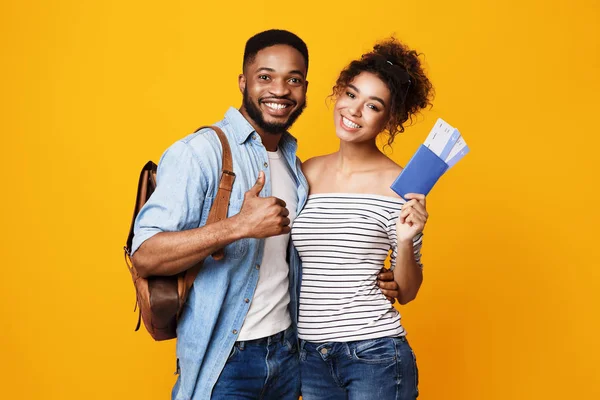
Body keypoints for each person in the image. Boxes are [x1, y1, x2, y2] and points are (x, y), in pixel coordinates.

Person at [131, 29, 400, 400]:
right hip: (226, 360)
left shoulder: (294, 164)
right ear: (243, 82)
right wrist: (239, 226)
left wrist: (379, 273)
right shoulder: (200, 152)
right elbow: (145, 254)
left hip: (292, 359)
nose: (280, 90)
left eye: (293, 80)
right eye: (265, 77)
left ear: (305, 88)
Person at [291, 37, 435, 400]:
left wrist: (404, 239)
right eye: (351, 95)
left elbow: (408, 291)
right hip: (308, 355)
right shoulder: (304, 172)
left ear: (391, 119)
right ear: (339, 93)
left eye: (373, 105)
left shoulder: (401, 185)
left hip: (374, 353)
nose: (354, 111)